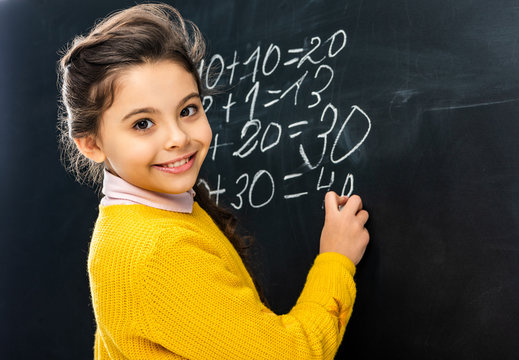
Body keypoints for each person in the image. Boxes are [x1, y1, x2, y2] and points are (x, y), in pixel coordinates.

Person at [57, 3, 370, 359]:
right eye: (143, 123)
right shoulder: (157, 253)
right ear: (92, 144)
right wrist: (336, 259)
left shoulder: (137, 221)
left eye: (188, 110)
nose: (177, 137)